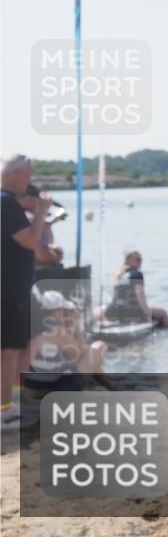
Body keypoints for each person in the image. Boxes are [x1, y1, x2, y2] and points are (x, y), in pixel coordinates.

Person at [1, 155, 51, 429]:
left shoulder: (7, 202)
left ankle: (13, 403)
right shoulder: (6, 202)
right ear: (18, 175)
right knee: (8, 350)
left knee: (19, 347)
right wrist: (42, 211)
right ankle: (4, 409)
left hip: (13, 286)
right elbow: (31, 240)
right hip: (8, 288)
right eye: (29, 176)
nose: (30, 182)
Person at [96, 251, 168, 328]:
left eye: (141, 260)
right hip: (132, 313)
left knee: (99, 309)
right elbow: (140, 294)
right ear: (129, 260)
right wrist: (147, 312)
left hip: (113, 312)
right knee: (163, 313)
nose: (140, 262)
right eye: (138, 259)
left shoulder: (118, 275)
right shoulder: (137, 274)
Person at [18, 185, 64, 267]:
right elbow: (42, 256)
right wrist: (58, 255)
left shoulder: (36, 219)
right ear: (28, 199)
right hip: (33, 274)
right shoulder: (29, 219)